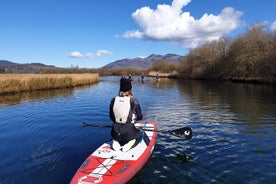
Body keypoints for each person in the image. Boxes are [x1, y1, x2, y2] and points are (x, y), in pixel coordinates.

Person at [109, 77, 143, 152]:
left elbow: (111, 117)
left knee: (119, 133)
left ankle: (116, 142)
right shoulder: (134, 101)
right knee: (139, 135)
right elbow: (140, 117)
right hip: (129, 133)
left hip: (115, 132)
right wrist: (133, 119)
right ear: (130, 90)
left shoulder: (113, 100)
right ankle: (130, 143)